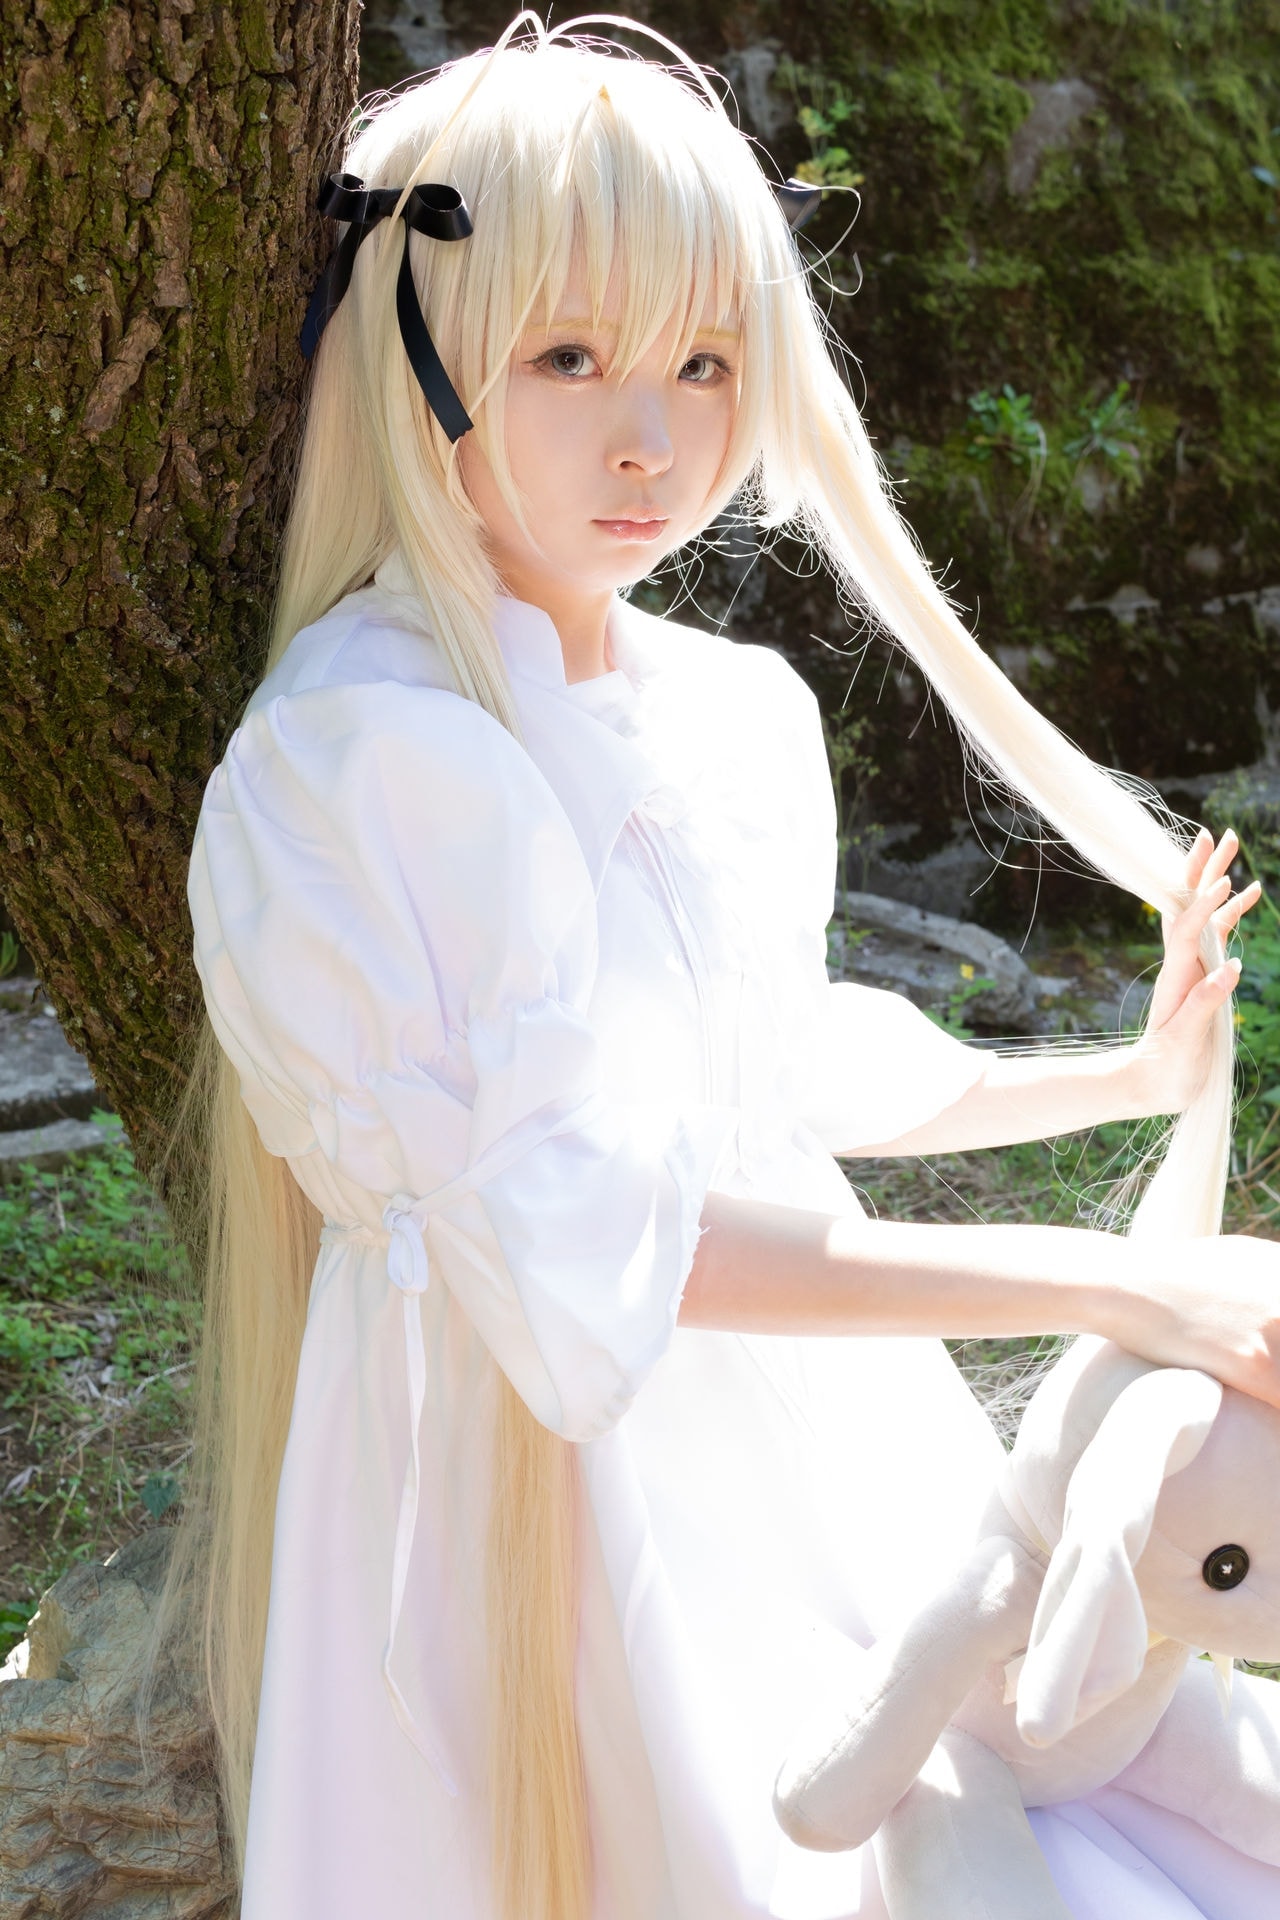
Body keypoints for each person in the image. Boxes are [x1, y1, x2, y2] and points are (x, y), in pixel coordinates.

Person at [157, 15, 1280, 1919]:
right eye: (567, 357)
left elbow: (765, 1069)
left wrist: (1123, 1076)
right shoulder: (368, 757)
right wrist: (1120, 1283)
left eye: (704, 362)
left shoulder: (731, 711)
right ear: (415, 358)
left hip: (813, 1418)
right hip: (541, 1479)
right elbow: (613, 1246)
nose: (653, 439)